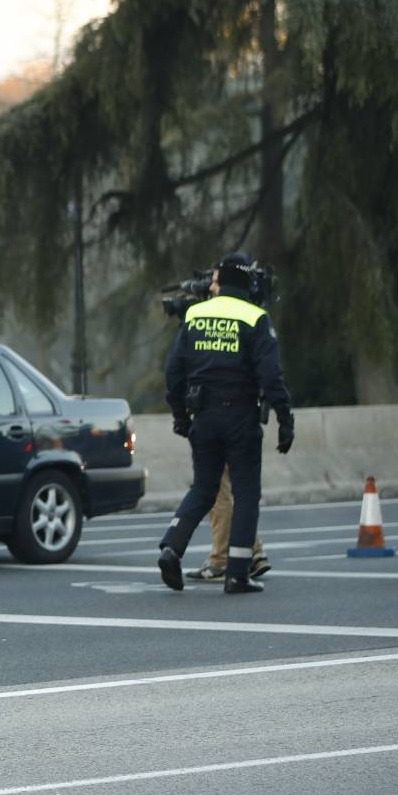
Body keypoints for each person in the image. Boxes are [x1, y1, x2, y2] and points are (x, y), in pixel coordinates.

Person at [157, 251, 293, 594]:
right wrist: (284, 418)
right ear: (247, 281)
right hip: (241, 418)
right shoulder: (255, 317)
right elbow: (271, 375)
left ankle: (172, 547)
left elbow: (173, 371)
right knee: (246, 494)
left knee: (203, 489)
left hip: (203, 416)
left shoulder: (195, 314)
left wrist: (180, 417)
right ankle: (236, 574)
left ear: (221, 282)